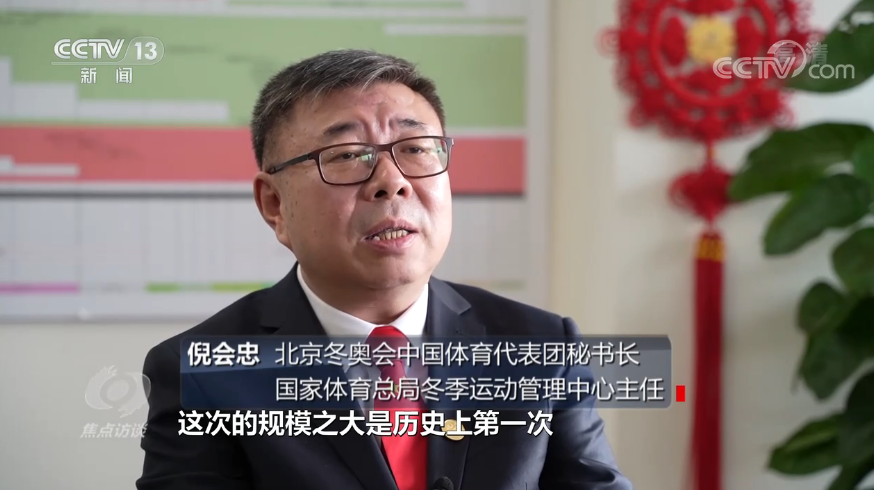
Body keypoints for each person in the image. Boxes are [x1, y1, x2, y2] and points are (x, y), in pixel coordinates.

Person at [137, 49, 632, 490]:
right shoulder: (202, 372)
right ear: (275, 205)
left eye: (416, 149)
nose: (392, 182)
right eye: (348, 156)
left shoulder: (542, 346)